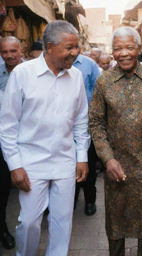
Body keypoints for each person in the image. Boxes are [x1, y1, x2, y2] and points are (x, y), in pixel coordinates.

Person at [0, 20, 90, 256]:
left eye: (76, 47)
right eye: (69, 48)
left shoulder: (77, 76)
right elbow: (7, 125)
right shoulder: (22, 74)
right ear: (50, 47)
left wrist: (82, 158)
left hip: (65, 162)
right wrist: (15, 165)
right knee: (29, 222)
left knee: (62, 222)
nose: (75, 53)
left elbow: (81, 120)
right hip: (31, 163)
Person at [89, 26, 142, 256]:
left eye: (129, 47)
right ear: (113, 52)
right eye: (118, 49)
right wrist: (107, 160)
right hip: (117, 168)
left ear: (139, 49)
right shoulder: (104, 82)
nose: (124, 53)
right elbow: (96, 123)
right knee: (116, 228)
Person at [0, 36, 23, 250]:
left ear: (21, 49)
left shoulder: (30, 72)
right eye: (5, 52)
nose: (9, 55)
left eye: (13, 51)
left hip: (25, 141)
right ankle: (3, 230)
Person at [73, 53, 100, 215]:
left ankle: (90, 200)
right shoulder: (56, 62)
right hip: (65, 128)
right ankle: (72, 199)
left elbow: (97, 92)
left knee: (88, 163)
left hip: (86, 125)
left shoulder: (89, 64)